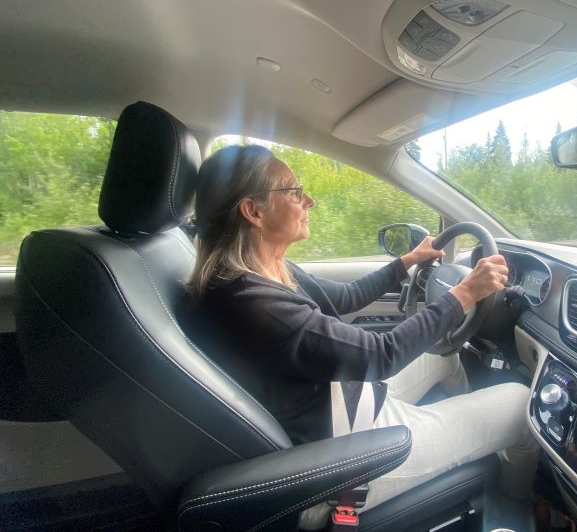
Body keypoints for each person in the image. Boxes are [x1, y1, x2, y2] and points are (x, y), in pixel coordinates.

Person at [184, 144, 534, 525]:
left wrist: (408, 261)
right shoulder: (252, 302)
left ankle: (474, 442)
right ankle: (520, 509)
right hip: (344, 461)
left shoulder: (265, 271)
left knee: (443, 353)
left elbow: (347, 297)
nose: (309, 201)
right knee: (519, 403)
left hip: (341, 407)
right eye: (294, 191)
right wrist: (465, 293)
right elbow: (379, 355)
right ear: (253, 211)